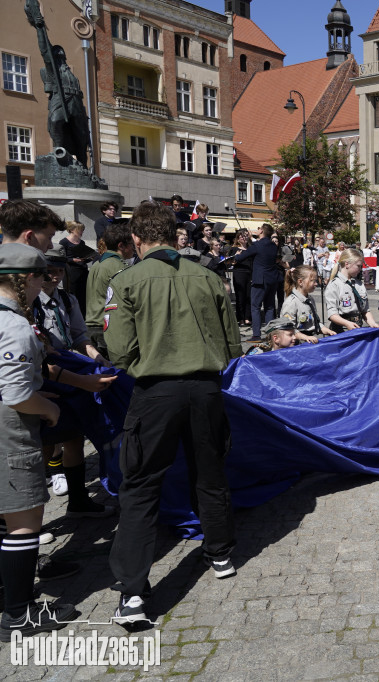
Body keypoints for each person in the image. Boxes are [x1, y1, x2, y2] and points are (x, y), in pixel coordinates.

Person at [105, 201, 241, 625]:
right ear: (174, 233)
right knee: (210, 471)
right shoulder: (207, 275)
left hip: (156, 391)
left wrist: (150, 361)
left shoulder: (126, 280)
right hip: (205, 388)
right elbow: (232, 342)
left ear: (138, 240)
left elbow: (119, 349)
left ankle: (132, 592)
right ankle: (220, 555)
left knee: (142, 485)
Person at [0, 243, 79, 641]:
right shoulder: (13, 324)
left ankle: (6, 594)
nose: (44, 284)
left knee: (4, 517)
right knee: (23, 522)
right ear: (25, 278)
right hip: (10, 428)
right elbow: (14, 394)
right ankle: (17, 613)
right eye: (41, 277)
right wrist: (46, 409)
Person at [34, 248, 116, 515]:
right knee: (44, 442)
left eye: (60, 272)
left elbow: (80, 338)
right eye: (50, 272)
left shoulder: (68, 300)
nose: (56, 277)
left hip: (71, 376)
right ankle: (29, 514)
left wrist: (97, 357)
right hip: (45, 378)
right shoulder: (29, 304)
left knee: (74, 438)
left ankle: (78, 500)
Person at [84, 222, 135, 356]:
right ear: (121, 246)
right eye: (131, 245)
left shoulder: (98, 263)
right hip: (106, 327)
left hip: (91, 324)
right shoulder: (119, 267)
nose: (134, 249)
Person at [231, 224, 281, 342]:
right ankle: (270, 335)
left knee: (255, 307)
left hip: (260, 280)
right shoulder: (273, 246)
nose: (257, 230)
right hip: (272, 279)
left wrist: (237, 256)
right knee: (269, 307)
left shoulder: (257, 245)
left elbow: (242, 257)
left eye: (259, 229)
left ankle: (256, 335)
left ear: (262, 231)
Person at [326, 248, 379, 332]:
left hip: (358, 328)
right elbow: (332, 315)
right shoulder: (334, 285)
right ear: (347, 264)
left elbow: (365, 311)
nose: (360, 269)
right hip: (342, 330)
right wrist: (347, 323)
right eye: (358, 266)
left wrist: (373, 323)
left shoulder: (359, 284)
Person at [281, 264, 335, 342]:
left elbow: (314, 322)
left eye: (316, 281)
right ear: (300, 282)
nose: (316, 284)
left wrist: (326, 330)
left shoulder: (310, 300)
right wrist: (305, 337)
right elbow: (288, 329)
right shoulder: (291, 303)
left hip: (309, 341)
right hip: (296, 344)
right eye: (312, 281)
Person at [58, 221, 95, 316]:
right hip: (71, 272)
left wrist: (89, 258)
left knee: (84, 294)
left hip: (83, 271)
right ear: (71, 230)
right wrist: (73, 260)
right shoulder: (64, 242)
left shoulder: (81, 242)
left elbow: (84, 256)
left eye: (83, 229)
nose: (82, 232)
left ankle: (83, 315)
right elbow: (61, 258)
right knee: (73, 294)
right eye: (80, 229)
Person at [229, 230, 253, 327]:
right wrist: (236, 256)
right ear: (238, 238)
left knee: (249, 296)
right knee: (240, 296)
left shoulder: (251, 249)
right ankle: (241, 318)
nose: (244, 238)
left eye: (246, 236)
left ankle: (248, 317)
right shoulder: (234, 249)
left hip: (249, 273)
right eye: (242, 236)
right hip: (239, 273)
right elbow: (231, 262)